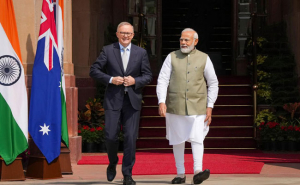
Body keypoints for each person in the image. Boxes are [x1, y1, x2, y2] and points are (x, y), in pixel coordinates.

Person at [90, 22, 152, 185]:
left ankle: (127, 174)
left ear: (133, 35)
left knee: (130, 137)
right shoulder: (108, 50)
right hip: (113, 100)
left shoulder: (141, 53)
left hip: (132, 101)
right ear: (117, 34)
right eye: (123, 33)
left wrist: (135, 81)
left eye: (129, 33)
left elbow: (147, 76)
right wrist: (111, 79)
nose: (126, 36)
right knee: (110, 136)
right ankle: (112, 162)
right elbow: (94, 70)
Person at [156, 28, 218, 184]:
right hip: (175, 105)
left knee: (197, 138)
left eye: (187, 40)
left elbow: (213, 83)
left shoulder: (204, 58)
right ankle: (180, 174)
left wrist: (210, 105)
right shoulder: (171, 57)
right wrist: (161, 101)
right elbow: (162, 80)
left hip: (198, 106)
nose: (183, 42)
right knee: (177, 140)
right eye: (181, 40)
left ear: (195, 41)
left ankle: (198, 171)